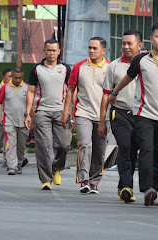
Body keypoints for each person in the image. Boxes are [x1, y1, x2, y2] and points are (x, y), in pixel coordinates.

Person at [109, 21, 158, 206]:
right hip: (143, 113)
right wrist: (114, 93)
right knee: (146, 149)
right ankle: (147, 188)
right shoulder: (141, 60)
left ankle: (154, 191)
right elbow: (127, 78)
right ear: (151, 39)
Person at [99, 30, 143, 202]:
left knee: (133, 151)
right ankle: (127, 186)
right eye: (123, 43)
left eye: (129, 43)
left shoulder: (146, 65)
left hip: (141, 115)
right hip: (119, 112)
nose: (125, 46)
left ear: (139, 46)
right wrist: (103, 121)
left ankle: (122, 186)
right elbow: (105, 95)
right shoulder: (114, 66)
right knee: (124, 146)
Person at [62, 37, 110, 194]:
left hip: (103, 115)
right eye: (89, 47)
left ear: (103, 51)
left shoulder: (110, 68)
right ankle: (84, 179)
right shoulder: (79, 67)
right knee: (85, 144)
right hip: (83, 112)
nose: (91, 50)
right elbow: (70, 89)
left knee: (100, 149)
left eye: (95, 48)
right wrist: (66, 111)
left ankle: (94, 181)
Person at [25, 39, 72, 190]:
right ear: (44, 51)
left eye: (54, 50)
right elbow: (31, 91)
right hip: (42, 112)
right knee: (44, 146)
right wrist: (28, 114)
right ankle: (46, 179)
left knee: (64, 145)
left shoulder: (65, 68)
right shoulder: (36, 69)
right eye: (49, 50)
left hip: (61, 111)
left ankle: (57, 168)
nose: (51, 53)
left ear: (59, 51)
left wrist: (70, 111)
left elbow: (71, 91)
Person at [0, 67, 29, 175]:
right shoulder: (5, 88)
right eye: (15, 78)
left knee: (21, 146)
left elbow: (31, 106)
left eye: (20, 78)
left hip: (23, 122)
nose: (18, 80)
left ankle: (18, 164)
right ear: (11, 77)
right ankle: (12, 166)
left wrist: (32, 121)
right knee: (11, 143)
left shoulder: (27, 88)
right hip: (9, 121)